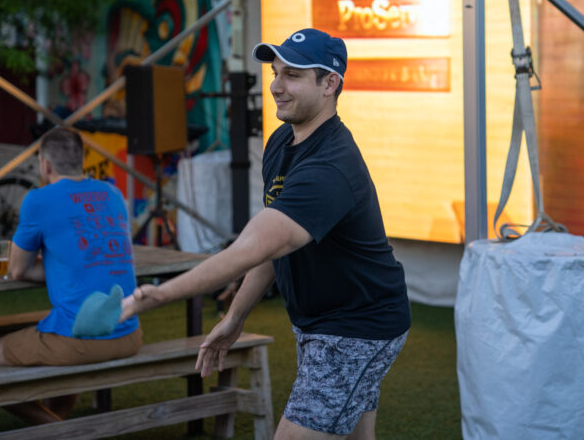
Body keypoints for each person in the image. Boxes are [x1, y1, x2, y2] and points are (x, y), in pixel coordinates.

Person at [121, 28, 411, 439]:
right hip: (323, 320)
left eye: (293, 75)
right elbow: (274, 247)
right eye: (275, 73)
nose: (276, 86)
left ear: (330, 83)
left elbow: (251, 247)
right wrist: (235, 316)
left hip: (356, 327)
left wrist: (158, 294)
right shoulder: (281, 142)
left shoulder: (330, 168)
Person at [0, 127, 142, 425]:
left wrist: (64, 269)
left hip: (80, 340)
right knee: (58, 333)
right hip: (129, 334)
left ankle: (55, 428)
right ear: (82, 161)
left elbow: (19, 269)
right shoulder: (113, 193)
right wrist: (72, 269)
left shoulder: (39, 200)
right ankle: (57, 422)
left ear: (45, 165)